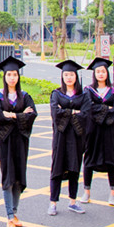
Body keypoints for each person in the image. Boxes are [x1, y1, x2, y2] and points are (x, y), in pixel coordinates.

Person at [0, 56, 37, 227]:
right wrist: (19, 115)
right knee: (8, 178)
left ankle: (15, 213)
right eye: (9, 74)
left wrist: (12, 115)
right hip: (6, 141)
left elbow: (32, 115)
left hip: (21, 141)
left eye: (15, 74)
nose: (12, 77)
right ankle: (9, 216)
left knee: (19, 178)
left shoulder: (24, 96)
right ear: (5, 76)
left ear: (18, 76)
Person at [48, 60, 90, 216]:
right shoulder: (56, 93)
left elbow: (86, 115)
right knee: (57, 169)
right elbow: (55, 114)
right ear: (62, 76)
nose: (69, 77)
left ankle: (73, 201)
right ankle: (53, 202)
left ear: (76, 76)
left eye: (71, 74)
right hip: (60, 137)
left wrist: (65, 110)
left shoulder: (83, 95)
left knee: (74, 168)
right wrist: (74, 112)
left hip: (76, 137)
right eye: (66, 75)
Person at [80, 58, 114, 206]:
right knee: (89, 160)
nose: (100, 74)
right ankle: (86, 192)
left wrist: (100, 110)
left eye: (103, 71)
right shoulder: (88, 90)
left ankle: (112, 194)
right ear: (94, 73)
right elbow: (88, 108)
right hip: (93, 130)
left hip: (110, 130)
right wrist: (107, 109)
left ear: (107, 73)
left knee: (112, 161)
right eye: (98, 71)